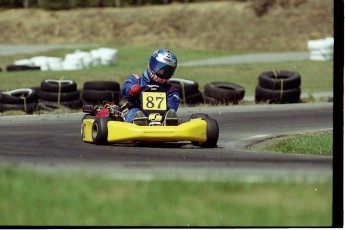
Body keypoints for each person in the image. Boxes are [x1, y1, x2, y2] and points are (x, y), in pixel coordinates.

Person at [121, 49, 179, 125]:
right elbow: (125, 87)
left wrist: (168, 110)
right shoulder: (137, 80)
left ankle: (168, 122)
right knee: (134, 112)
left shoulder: (170, 90)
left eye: (167, 71)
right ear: (151, 64)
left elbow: (172, 106)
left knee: (169, 113)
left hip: (161, 116)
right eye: (160, 69)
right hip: (138, 110)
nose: (162, 73)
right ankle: (138, 121)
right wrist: (132, 90)